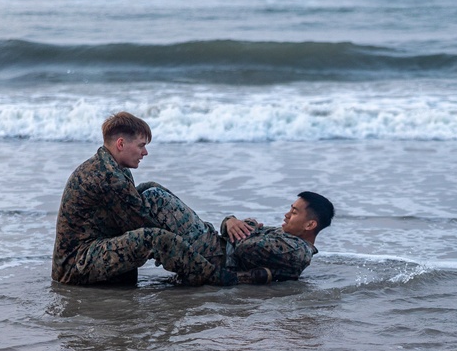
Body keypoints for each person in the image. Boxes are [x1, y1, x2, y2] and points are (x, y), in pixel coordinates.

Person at [52, 112, 227, 286]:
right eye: (141, 145)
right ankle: (213, 275)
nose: (145, 152)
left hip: (93, 247)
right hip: (75, 266)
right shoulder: (108, 176)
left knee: (152, 189)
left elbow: (135, 203)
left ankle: (207, 244)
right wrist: (185, 244)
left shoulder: (113, 166)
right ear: (121, 144)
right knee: (157, 238)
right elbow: (142, 225)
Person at [140, 187, 334, 282]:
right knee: (151, 188)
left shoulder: (296, 250)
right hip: (212, 242)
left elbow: (244, 247)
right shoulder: (289, 237)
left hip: (209, 253)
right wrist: (230, 221)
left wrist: (246, 223)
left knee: (155, 197)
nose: (286, 215)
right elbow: (240, 233)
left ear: (310, 224)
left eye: (294, 212)